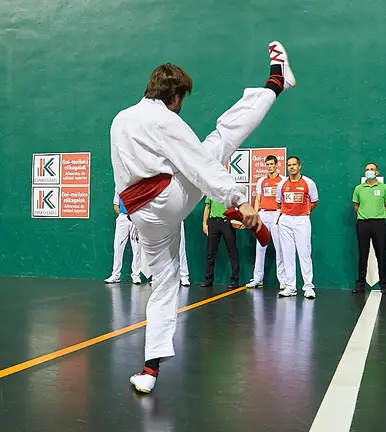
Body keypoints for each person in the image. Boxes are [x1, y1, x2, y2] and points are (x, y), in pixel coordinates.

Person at [110, 40, 296, 394]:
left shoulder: (120, 120)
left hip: (140, 216)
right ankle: (275, 83)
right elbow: (199, 166)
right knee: (219, 140)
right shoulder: (165, 120)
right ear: (175, 95)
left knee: (164, 283)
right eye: (182, 98)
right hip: (166, 202)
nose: (181, 105)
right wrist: (239, 200)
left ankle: (149, 371)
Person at [276, 156, 318, 299]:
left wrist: (304, 212)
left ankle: (308, 287)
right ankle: (290, 287)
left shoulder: (309, 183)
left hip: (302, 220)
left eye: (294, 164)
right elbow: (279, 202)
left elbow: (314, 201)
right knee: (287, 254)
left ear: (299, 166)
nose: (291, 167)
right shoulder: (282, 184)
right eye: (289, 165)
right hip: (285, 220)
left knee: (304, 253)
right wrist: (288, 213)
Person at [246, 155, 286, 290]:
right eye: (267, 164)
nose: (269, 167)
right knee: (260, 247)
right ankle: (258, 279)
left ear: (276, 165)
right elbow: (258, 200)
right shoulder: (262, 181)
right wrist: (255, 216)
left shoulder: (283, 181)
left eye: (271, 164)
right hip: (263, 214)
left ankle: (283, 280)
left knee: (279, 248)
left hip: (277, 214)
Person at [352, 163, 386, 295]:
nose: (369, 171)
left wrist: (378, 216)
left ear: (377, 172)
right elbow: (356, 206)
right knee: (362, 254)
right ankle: (360, 284)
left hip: (379, 224)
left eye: (372, 169)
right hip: (362, 224)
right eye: (367, 169)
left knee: (381, 254)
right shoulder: (358, 188)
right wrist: (365, 216)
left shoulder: (384, 188)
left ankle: (384, 285)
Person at [201, 196, 241, 289]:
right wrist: (204, 223)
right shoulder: (211, 191)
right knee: (210, 253)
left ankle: (235, 280)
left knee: (232, 252)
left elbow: (238, 206)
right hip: (213, 222)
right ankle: (208, 278)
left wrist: (240, 220)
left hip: (227, 222)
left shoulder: (230, 191)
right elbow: (207, 207)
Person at [105, 192, 142, 284]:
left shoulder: (138, 186)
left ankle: (136, 275)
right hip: (123, 219)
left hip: (136, 217)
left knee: (137, 248)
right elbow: (116, 205)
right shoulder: (118, 187)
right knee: (118, 247)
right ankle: (115, 275)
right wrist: (122, 215)